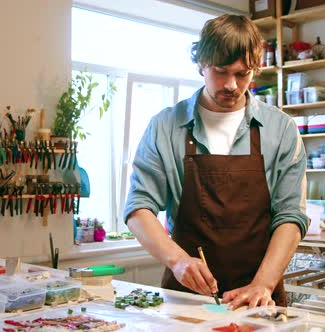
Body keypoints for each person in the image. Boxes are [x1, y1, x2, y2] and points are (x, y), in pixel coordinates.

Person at [123, 14, 308, 309]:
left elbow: (291, 216)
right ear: (201, 64)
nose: (232, 85)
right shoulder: (165, 126)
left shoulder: (280, 129)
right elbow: (138, 207)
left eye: (243, 73)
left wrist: (263, 284)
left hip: (258, 301)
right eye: (221, 72)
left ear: (256, 69)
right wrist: (178, 261)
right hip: (186, 299)